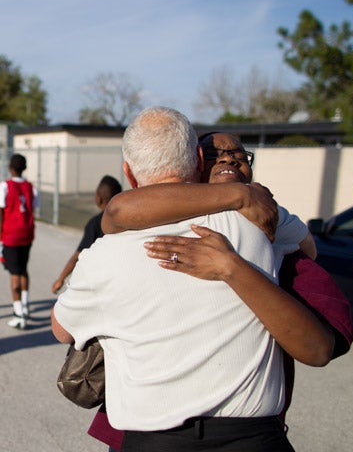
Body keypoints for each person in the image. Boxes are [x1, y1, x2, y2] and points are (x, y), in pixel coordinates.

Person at [52, 107, 334, 452]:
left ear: (127, 172)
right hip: (254, 438)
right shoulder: (257, 222)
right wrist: (244, 198)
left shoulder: (101, 256)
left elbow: (62, 329)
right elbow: (309, 248)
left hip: (152, 441)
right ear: (199, 160)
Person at [51, 175, 122, 294]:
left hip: (99, 281)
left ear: (98, 199)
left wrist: (61, 278)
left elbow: (77, 256)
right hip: (119, 278)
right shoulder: (128, 220)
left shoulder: (95, 223)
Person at [0, 153, 39, 330]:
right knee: (23, 269)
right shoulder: (31, 187)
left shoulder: (4, 187)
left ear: (10, 168)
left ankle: (18, 314)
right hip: (27, 233)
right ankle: (25, 304)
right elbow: (34, 208)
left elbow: (1, 214)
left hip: (11, 235)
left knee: (14, 273)